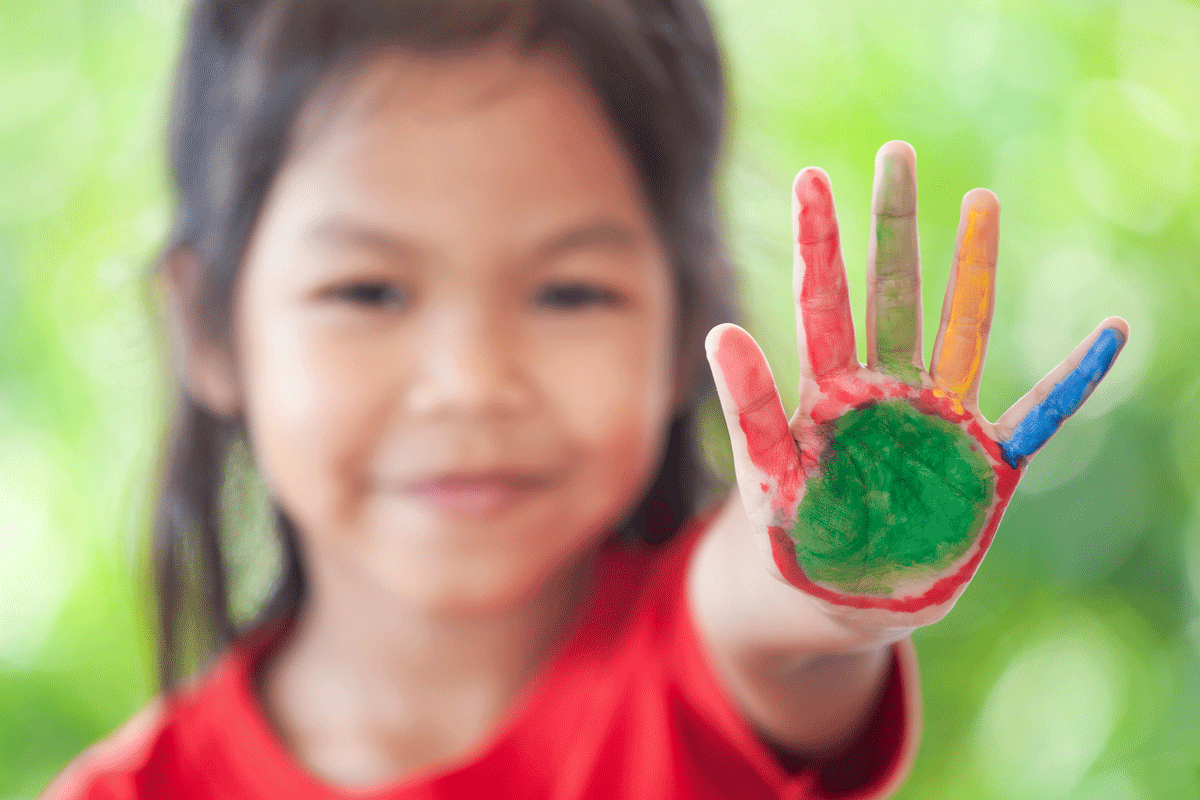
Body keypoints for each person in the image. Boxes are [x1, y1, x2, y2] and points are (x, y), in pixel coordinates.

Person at [40, 1, 1129, 798]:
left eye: (570, 290)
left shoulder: (708, 664)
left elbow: (764, 604)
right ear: (211, 325)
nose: (471, 380)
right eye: (367, 288)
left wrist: (847, 550)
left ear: (678, 327)